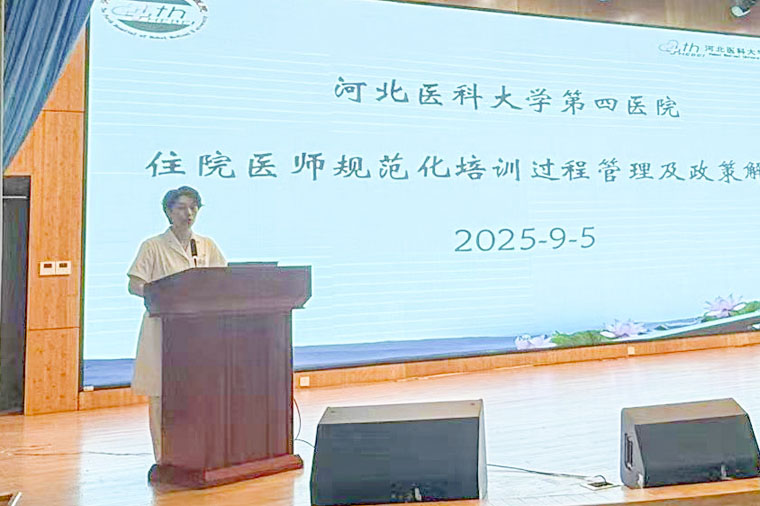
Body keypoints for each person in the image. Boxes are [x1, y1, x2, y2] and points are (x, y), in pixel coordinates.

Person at [126, 186, 226, 465]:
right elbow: (134, 284)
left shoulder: (207, 245)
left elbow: (223, 281)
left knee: (199, 393)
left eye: (193, 207)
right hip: (163, 329)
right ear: (168, 212)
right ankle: (165, 459)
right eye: (181, 208)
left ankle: (199, 454)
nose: (188, 213)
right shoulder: (152, 246)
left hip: (199, 332)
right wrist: (164, 296)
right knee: (162, 395)